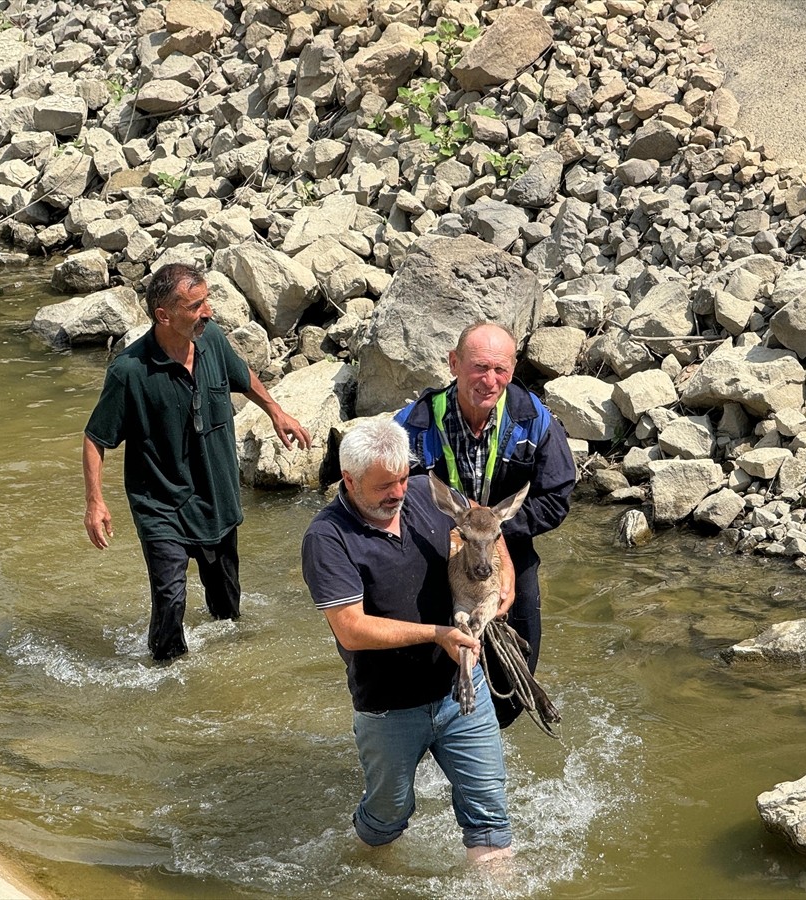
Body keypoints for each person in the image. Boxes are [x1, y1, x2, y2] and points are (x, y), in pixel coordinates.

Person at [301, 418, 515, 862]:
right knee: (388, 818)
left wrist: (504, 575)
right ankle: (355, 870)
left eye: (401, 479)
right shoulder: (327, 538)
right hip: (388, 704)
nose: (398, 492)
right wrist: (438, 634)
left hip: (461, 692)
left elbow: (484, 521)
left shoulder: (422, 493)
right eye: (384, 486)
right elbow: (351, 629)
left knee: (490, 819)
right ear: (349, 480)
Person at [82, 263, 311, 661]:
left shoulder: (213, 340)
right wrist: (95, 502)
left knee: (227, 610)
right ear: (164, 316)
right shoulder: (128, 371)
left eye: (207, 302)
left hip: (217, 497)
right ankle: (165, 680)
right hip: (161, 506)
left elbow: (243, 377)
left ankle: (228, 671)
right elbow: (95, 438)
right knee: (171, 599)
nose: (208, 312)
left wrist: (275, 410)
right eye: (196, 305)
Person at [395, 322, 574, 727]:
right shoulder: (414, 423)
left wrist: (497, 536)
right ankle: (429, 724)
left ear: (512, 371)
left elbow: (557, 497)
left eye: (500, 370)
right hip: (434, 544)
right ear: (454, 363)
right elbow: (387, 494)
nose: (489, 380)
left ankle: (495, 730)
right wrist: (460, 528)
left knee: (521, 643)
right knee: (423, 647)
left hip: (506, 535)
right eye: (478, 367)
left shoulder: (534, 420)